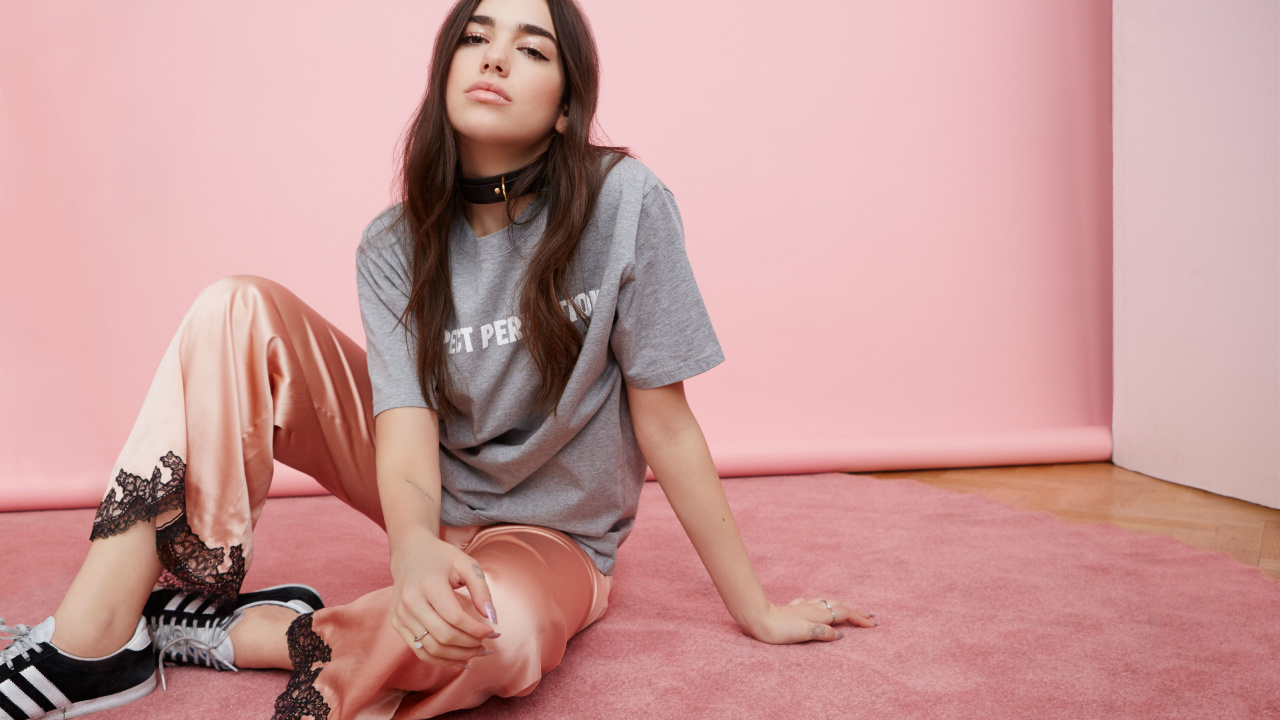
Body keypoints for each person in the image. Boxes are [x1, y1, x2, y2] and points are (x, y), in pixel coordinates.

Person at [0, 0, 877, 718]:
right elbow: (405, 422)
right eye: (475, 36)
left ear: (566, 107)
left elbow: (667, 423)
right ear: (445, 69)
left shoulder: (624, 203)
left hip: (553, 537)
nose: (495, 57)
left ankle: (248, 633)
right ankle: (92, 641)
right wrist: (414, 547)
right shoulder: (394, 243)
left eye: (531, 49)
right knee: (234, 306)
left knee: (497, 636)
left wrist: (756, 609)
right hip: (420, 485)